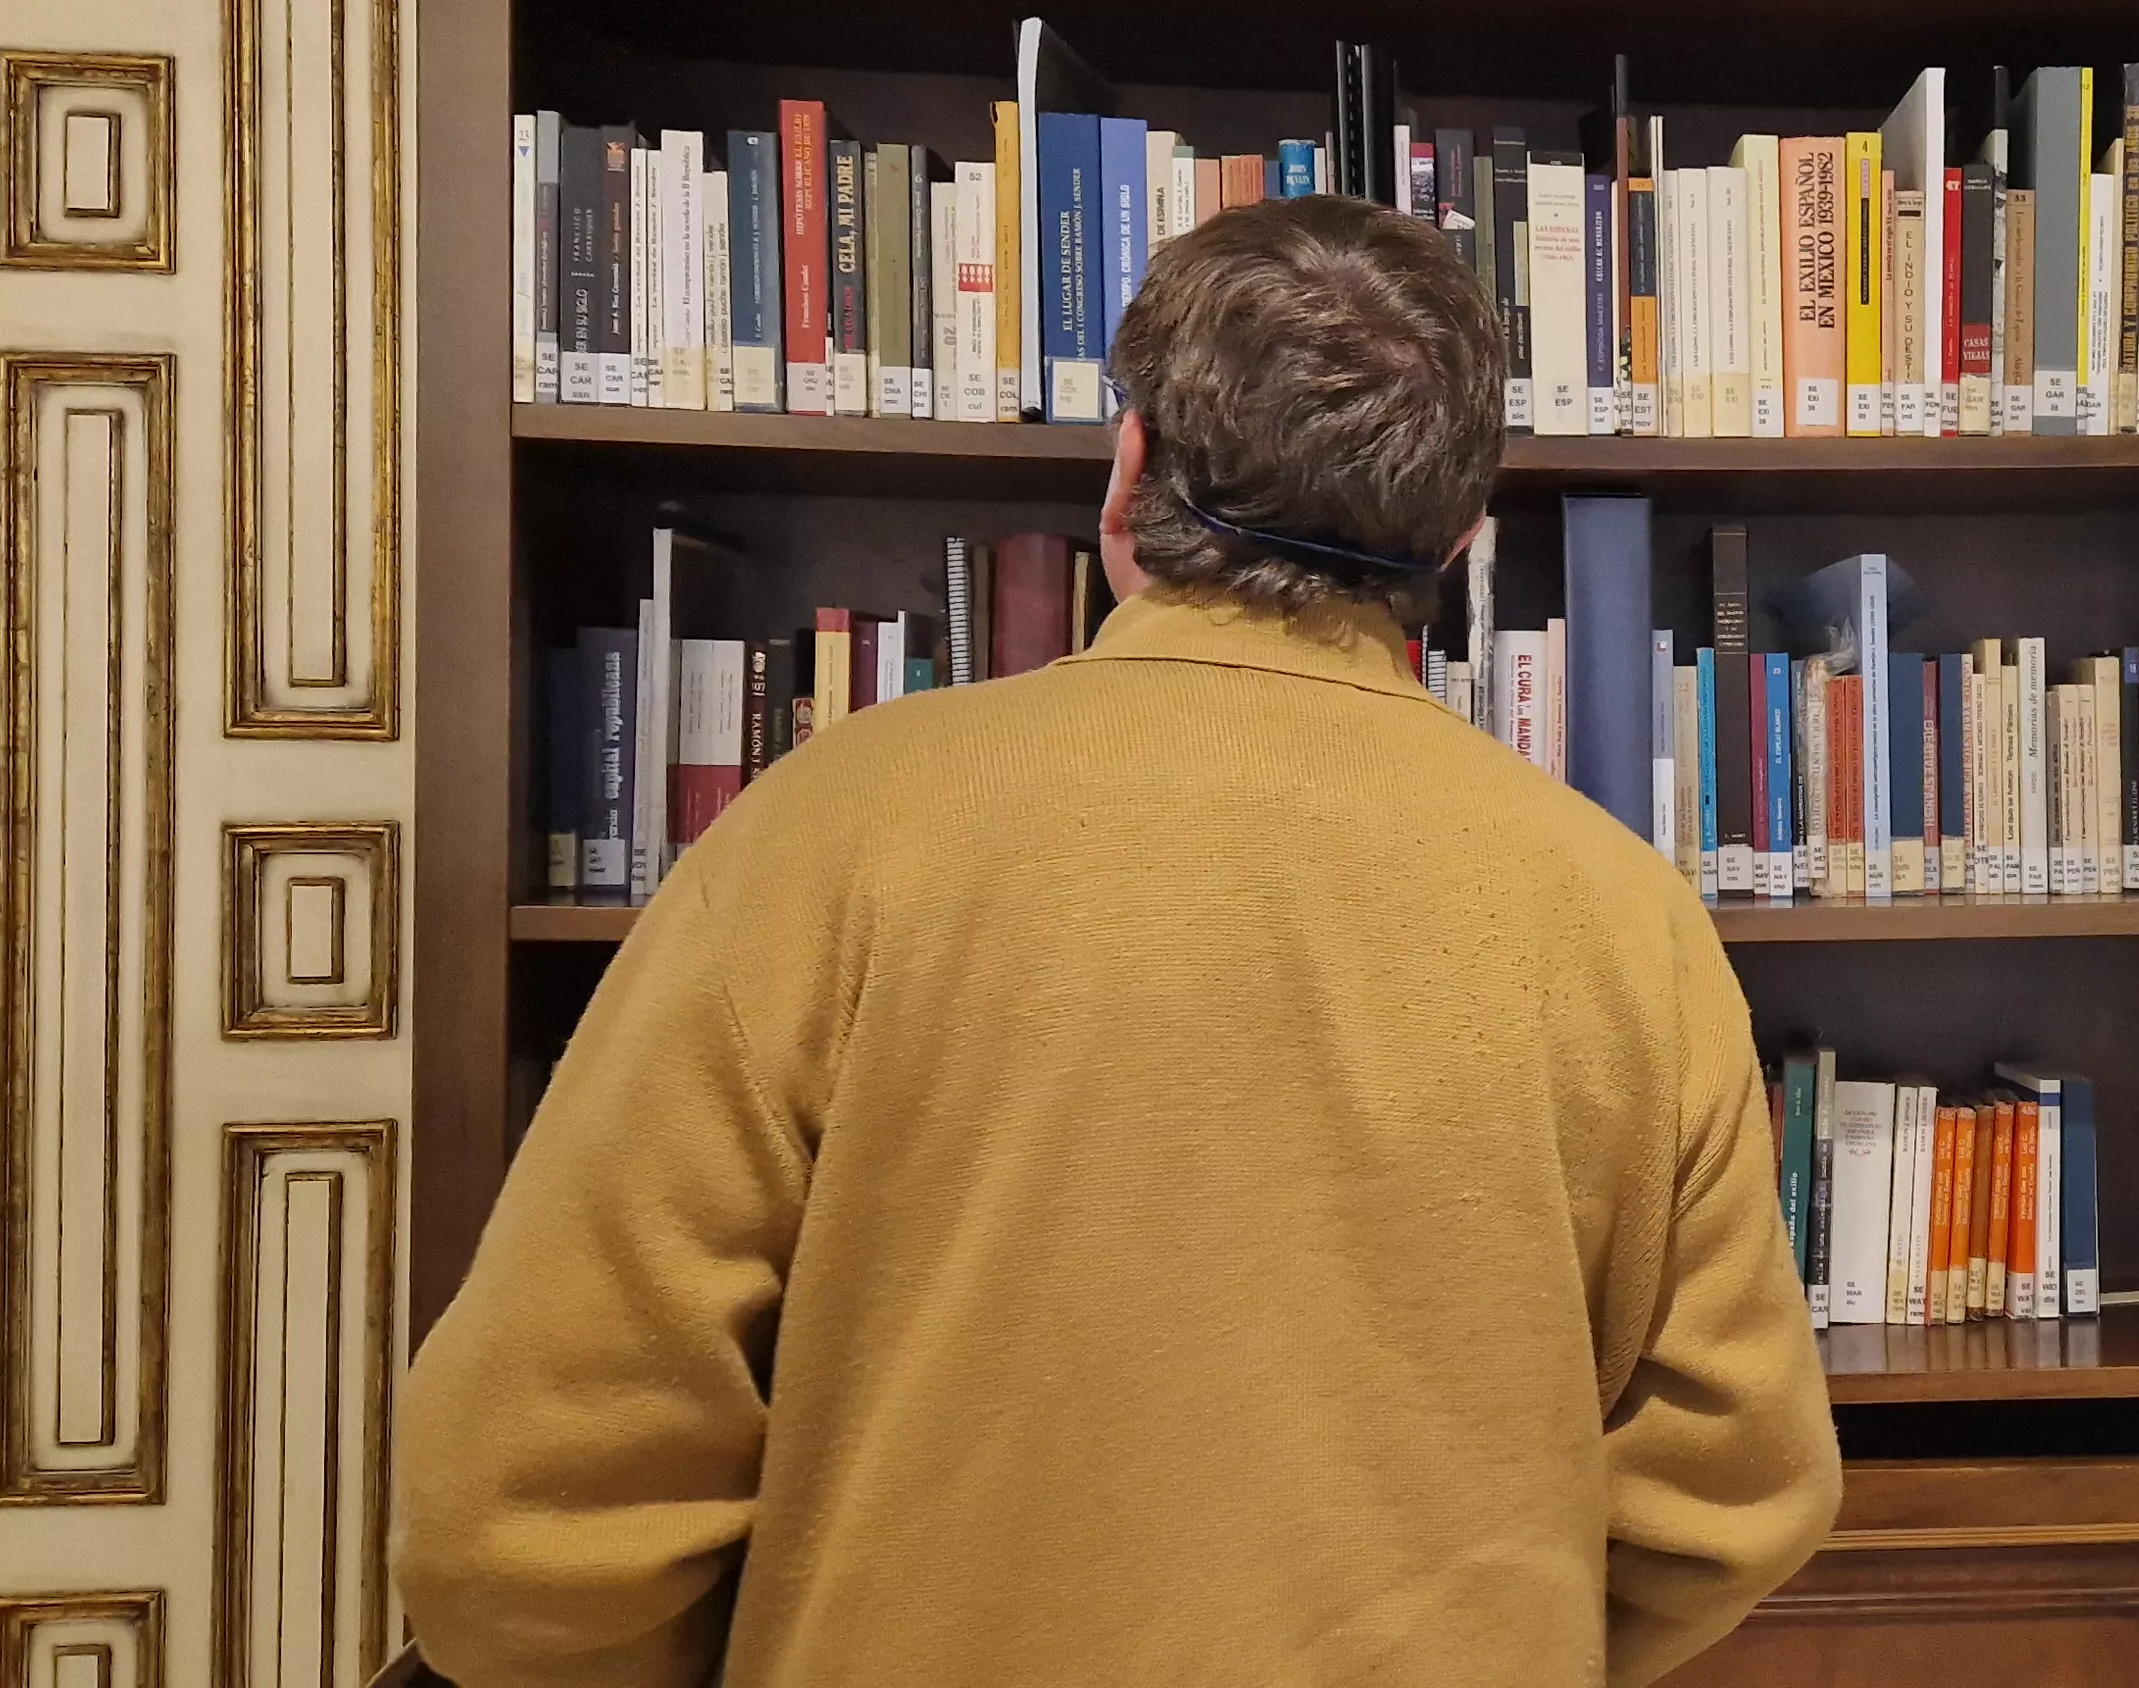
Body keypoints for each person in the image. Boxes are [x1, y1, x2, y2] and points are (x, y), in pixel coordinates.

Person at [398, 196, 1841, 1687]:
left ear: (1130, 467)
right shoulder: (1617, 908)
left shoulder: (837, 829)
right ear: (1464, 546)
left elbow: (521, 1509)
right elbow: (1737, 1498)